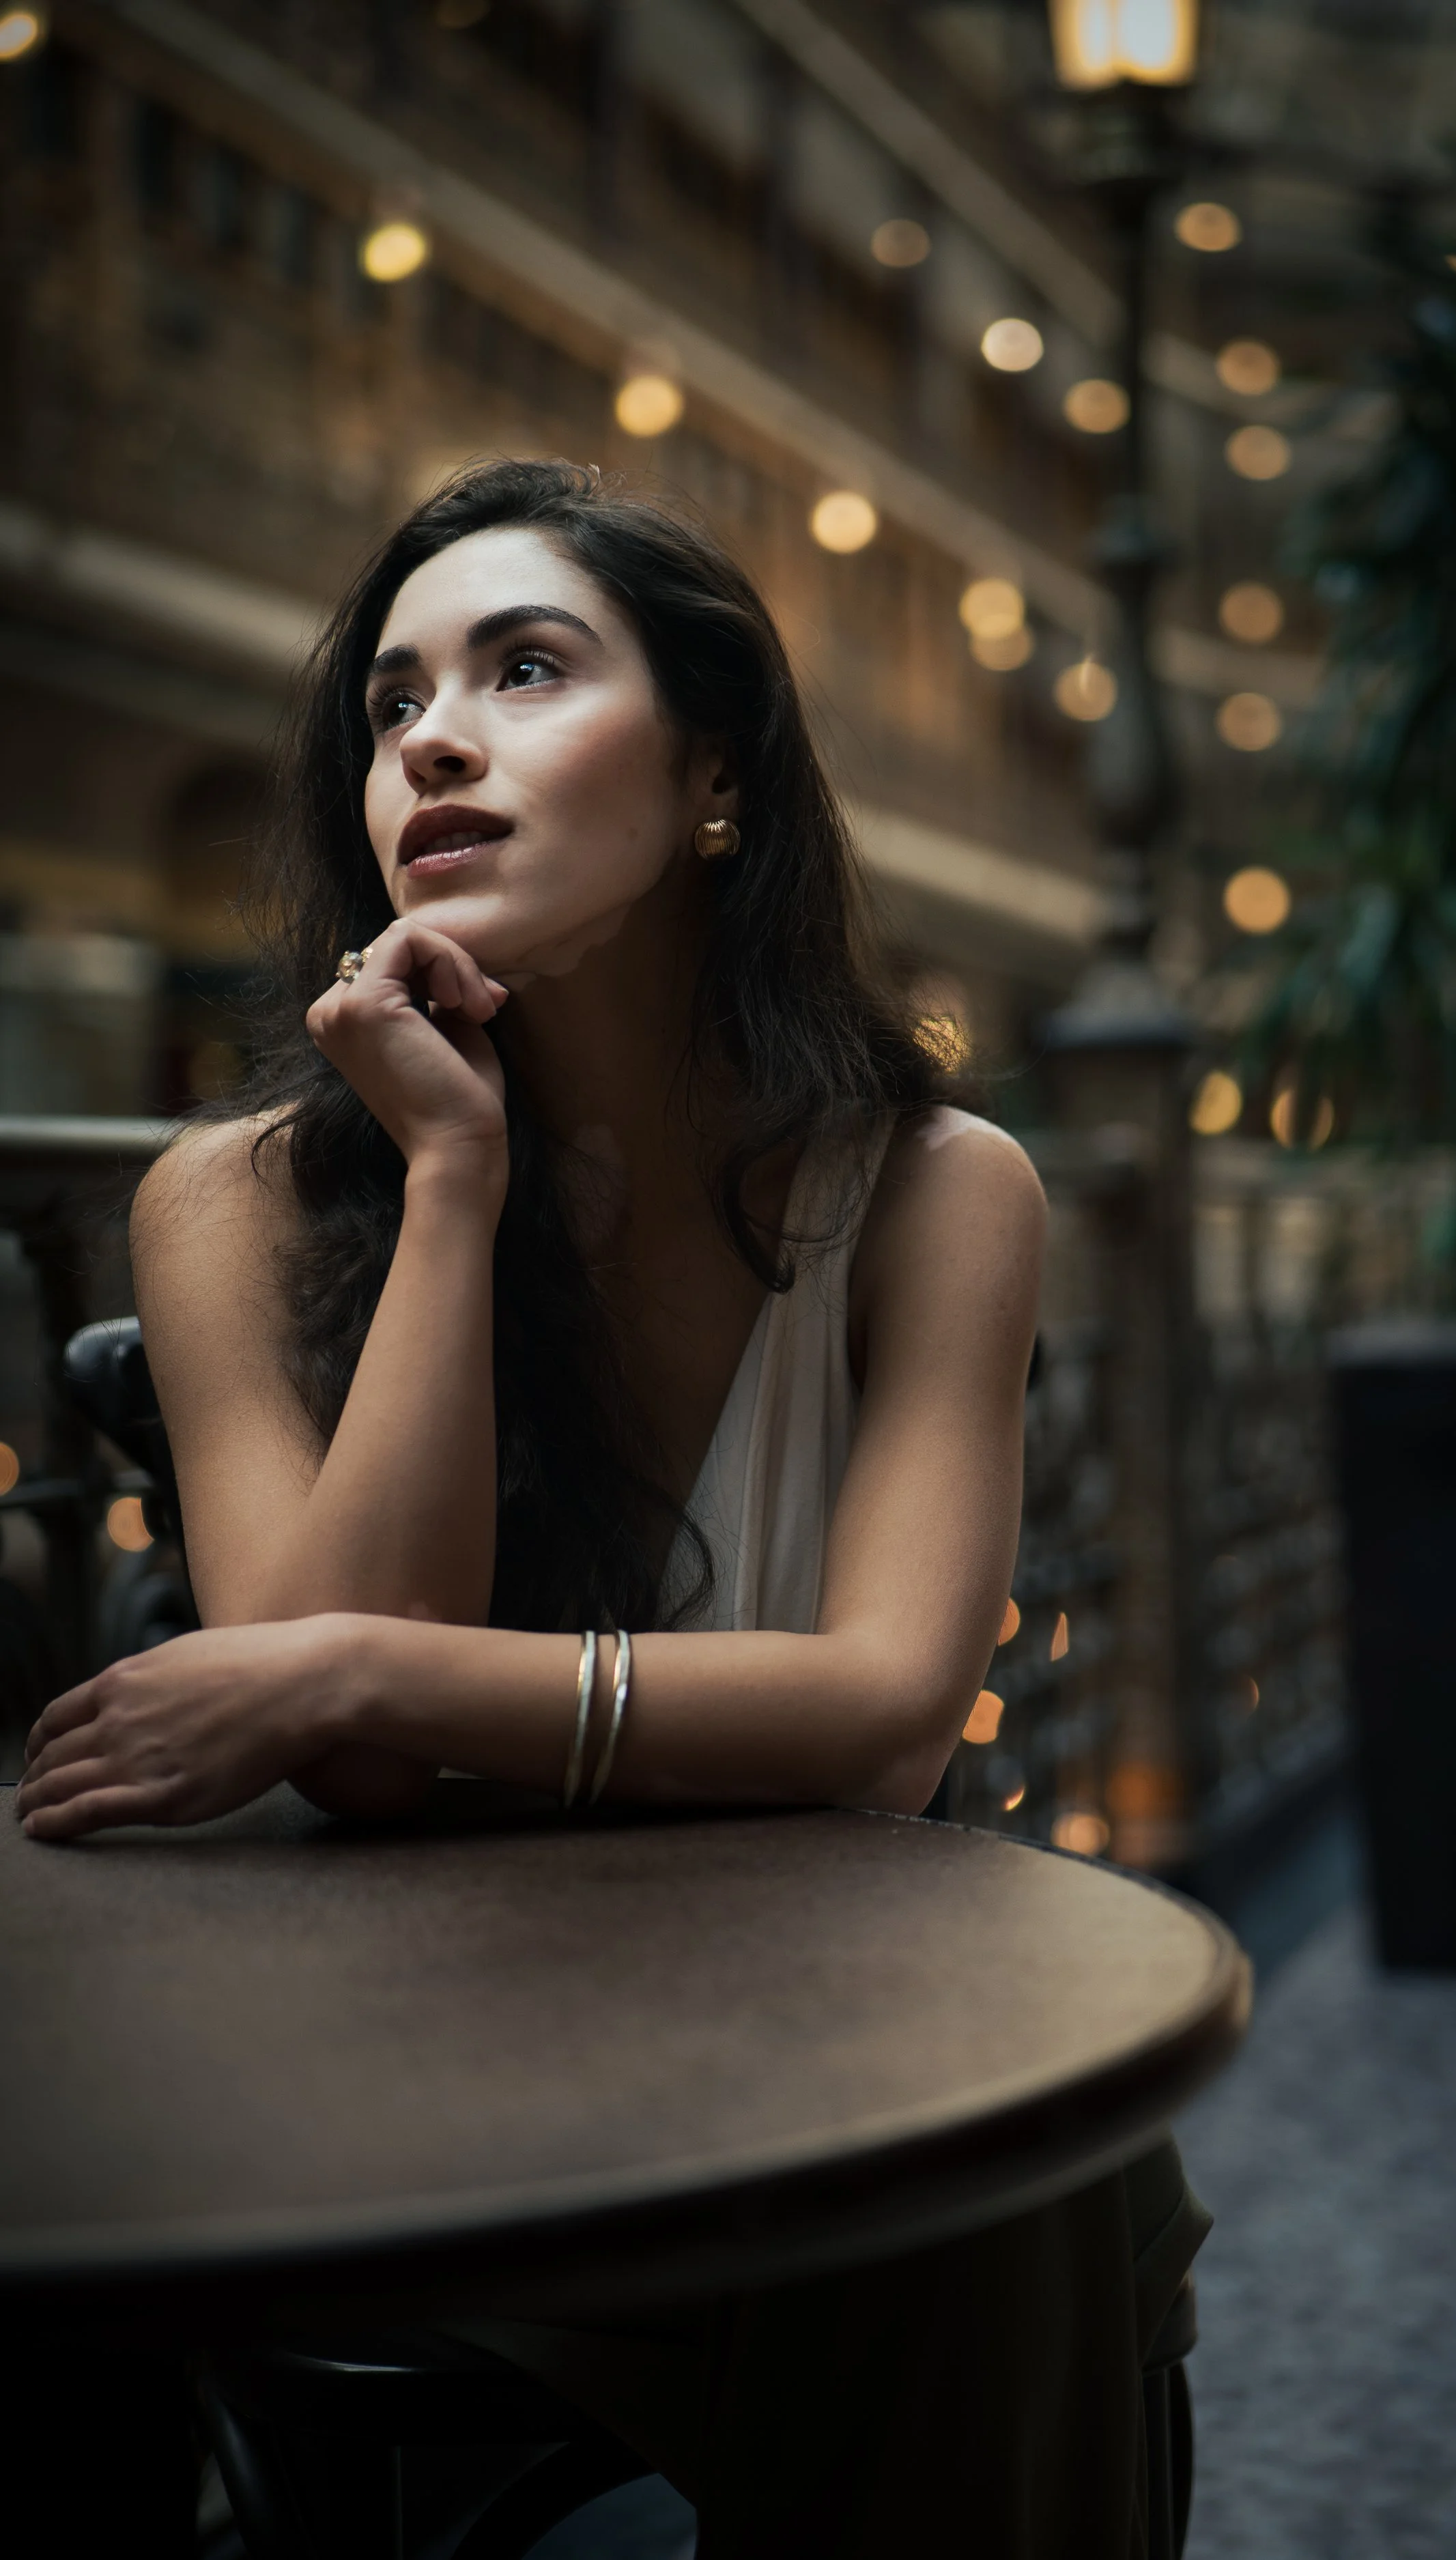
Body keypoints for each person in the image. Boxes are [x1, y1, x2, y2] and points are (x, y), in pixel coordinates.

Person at [16, 459, 1208, 2554]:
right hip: (380, 2064)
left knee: (990, 2176)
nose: (433, 738)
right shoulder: (235, 1202)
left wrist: (348, 1658)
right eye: (390, 706)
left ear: (715, 782)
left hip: (801, 2044)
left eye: (526, 667)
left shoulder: (935, 1192)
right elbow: (367, 1777)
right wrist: (458, 1187)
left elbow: (885, 1718)